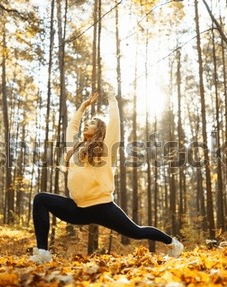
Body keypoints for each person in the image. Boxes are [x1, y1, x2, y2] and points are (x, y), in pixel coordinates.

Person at [31, 91, 183, 263]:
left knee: (137, 232)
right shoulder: (74, 148)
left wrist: (112, 101)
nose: (87, 124)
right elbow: (72, 128)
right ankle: (43, 252)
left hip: (103, 207)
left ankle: (173, 244)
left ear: (100, 129)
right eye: (87, 122)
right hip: (77, 208)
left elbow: (114, 124)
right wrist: (82, 107)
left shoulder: (105, 149)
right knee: (41, 199)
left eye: (92, 123)